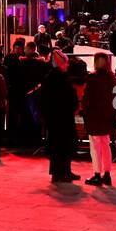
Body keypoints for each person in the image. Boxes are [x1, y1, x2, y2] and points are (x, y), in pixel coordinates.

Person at [39, 50, 80, 183]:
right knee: (64, 145)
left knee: (57, 145)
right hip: (62, 117)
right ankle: (62, 172)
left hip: (54, 117)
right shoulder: (60, 78)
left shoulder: (50, 77)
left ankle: (60, 172)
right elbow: (67, 97)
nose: (67, 65)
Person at [79, 53, 116, 184]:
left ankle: (97, 173)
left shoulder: (92, 77)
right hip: (108, 116)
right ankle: (107, 174)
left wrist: (83, 111)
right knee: (106, 144)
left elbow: (87, 99)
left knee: (95, 147)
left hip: (94, 116)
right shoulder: (111, 77)